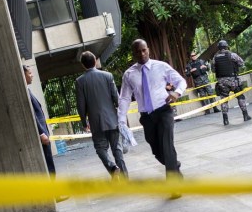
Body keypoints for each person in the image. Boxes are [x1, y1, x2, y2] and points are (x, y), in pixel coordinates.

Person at [117, 39, 187, 191]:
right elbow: (124, 97)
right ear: (133, 54)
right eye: (138, 51)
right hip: (147, 117)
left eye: (144, 50)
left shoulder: (161, 66)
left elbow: (181, 81)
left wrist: (176, 92)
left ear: (148, 49)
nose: (142, 54)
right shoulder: (129, 75)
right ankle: (174, 165)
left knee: (167, 145)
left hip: (164, 112)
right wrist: (121, 119)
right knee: (157, 151)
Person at [75, 51, 127, 179]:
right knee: (117, 149)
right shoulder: (108, 76)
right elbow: (116, 97)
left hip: (96, 123)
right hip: (112, 120)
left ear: (83, 65)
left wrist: (84, 122)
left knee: (100, 149)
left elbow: (81, 105)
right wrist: (121, 115)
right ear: (95, 61)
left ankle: (112, 168)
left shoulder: (80, 81)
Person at [23, 65, 68, 202]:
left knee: (49, 164)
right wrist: (41, 133)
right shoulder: (25, 93)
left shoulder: (28, 90)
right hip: (41, 135)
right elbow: (32, 116)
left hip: (43, 134)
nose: (32, 75)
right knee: (48, 164)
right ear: (23, 74)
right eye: (29, 73)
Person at [211, 39, 252, 125]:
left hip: (222, 82)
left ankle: (225, 120)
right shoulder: (232, 55)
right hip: (233, 80)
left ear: (219, 48)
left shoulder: (215, 58)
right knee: (240, 96)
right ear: (226, 46)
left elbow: (213, 70)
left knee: (224, 100)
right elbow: (241, 63)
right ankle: (245, 115)